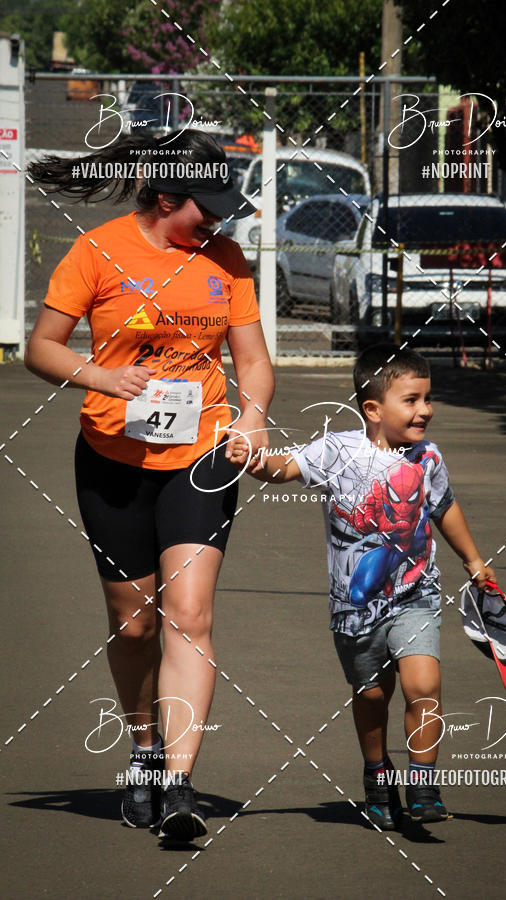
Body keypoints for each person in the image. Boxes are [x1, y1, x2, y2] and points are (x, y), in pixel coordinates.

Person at [25, 129, 274, 841]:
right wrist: (102, 376)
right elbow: (41, 345)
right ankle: (144, 750)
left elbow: (253, 363)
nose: (220, 220)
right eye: (207, 206)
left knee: (188, 618)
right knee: (134, 625)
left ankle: (179, 786)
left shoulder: (226, 260)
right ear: (166, 197)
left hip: (202, 459)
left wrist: (252, 421)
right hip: (112, 462)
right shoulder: (96, 251)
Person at [230, 344, 495, 827]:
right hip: (354, 609)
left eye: (428, 399)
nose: (425, 411)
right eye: (411, 400)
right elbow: (285, 469)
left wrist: (473, 560)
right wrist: (253, 458)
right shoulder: (337, 451)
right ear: (373, 409)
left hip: (416, 596)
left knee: (424, 684)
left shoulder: (427, 458)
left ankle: (422, 784)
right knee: (372, 695)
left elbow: (444, 508)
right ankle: (377, 774)